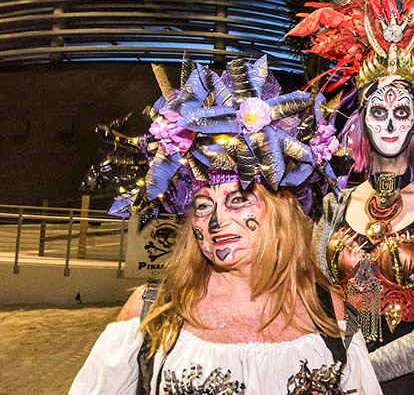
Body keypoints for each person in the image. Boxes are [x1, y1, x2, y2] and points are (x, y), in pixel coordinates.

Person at [70, 56, 381, 395]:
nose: (217, 221)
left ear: (283, 210)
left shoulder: (326, 312)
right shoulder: (151, 312)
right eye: (203, 206)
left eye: (238, 200)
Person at [287, 0, 414, 394]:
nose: (389, 122)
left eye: (401, 111)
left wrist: (349, 378)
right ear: (361, 122)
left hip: (410, 385)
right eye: (378, 111)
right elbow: (312, 302)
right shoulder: (334, 205)